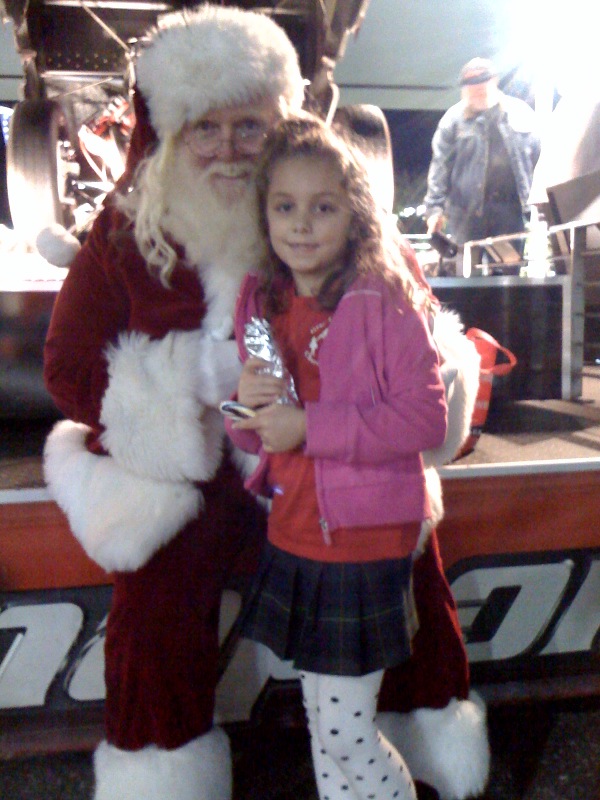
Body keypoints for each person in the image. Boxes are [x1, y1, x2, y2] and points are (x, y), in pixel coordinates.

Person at [41, 6, 305, 799]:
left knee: (401, 562)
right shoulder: (125, 232)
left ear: (281, 125)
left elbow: (412, 327)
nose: (228, 148)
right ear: (171, 132)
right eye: (204, 128)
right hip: (185, 478)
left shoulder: (326, 206)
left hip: (308, 455)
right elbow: (68, 367)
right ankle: (160, 778)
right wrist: (189, 383)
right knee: (153, 619)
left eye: (249, 126)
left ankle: (403, 755)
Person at [225, 114, 448, 800]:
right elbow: (258, 435)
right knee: (323, 726)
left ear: (354, 215)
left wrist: (309, 427)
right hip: (295, 532)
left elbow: (425, 419)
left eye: (323, 207)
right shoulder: (261, 299)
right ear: (264, 213)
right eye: (284, 206)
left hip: (363, 540)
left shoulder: (384, 296)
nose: (301, 224)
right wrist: (247, 409)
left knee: (347, 732)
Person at [424, 57, 540, 249]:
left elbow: (539, 158)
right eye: (470, 82)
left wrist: (541, 202)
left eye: (482, 80)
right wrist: (434, 209)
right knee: (467, 266)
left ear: (494, 80)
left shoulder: (521, 113)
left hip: (510, 212)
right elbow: (440, 167)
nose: (477, 87)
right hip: (465, 216)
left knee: (509, 266)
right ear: (463, 88)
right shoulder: (452, 121)